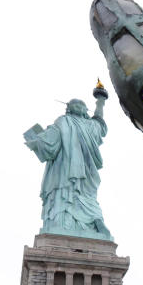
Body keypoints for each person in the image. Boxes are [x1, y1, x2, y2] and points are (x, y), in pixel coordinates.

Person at [24, 85, 113, 241]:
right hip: (64, 168)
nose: (78, 106)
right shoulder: (63, 121)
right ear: (69, 109)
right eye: (74, 104)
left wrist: (100, 102)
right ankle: (62, 223)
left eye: (81, 105)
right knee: (65, 194)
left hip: (86, 172)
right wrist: (38, 139)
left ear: (86, 110)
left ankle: (94, 221)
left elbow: (100, 122)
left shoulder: (90, 125)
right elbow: (49, 141)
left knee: (86, 197)